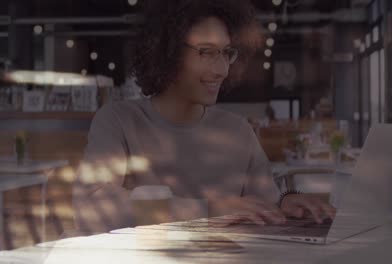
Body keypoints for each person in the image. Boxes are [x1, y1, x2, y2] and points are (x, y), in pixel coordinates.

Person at [73, 0, 334, 234]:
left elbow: (265, 202)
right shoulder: (119, 120)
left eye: (226, 53)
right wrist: (209, 210)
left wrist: (286, 203)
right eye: (206, 52)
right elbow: (91, 206)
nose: (221, 69)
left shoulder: (238, 131)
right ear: (168, 52)